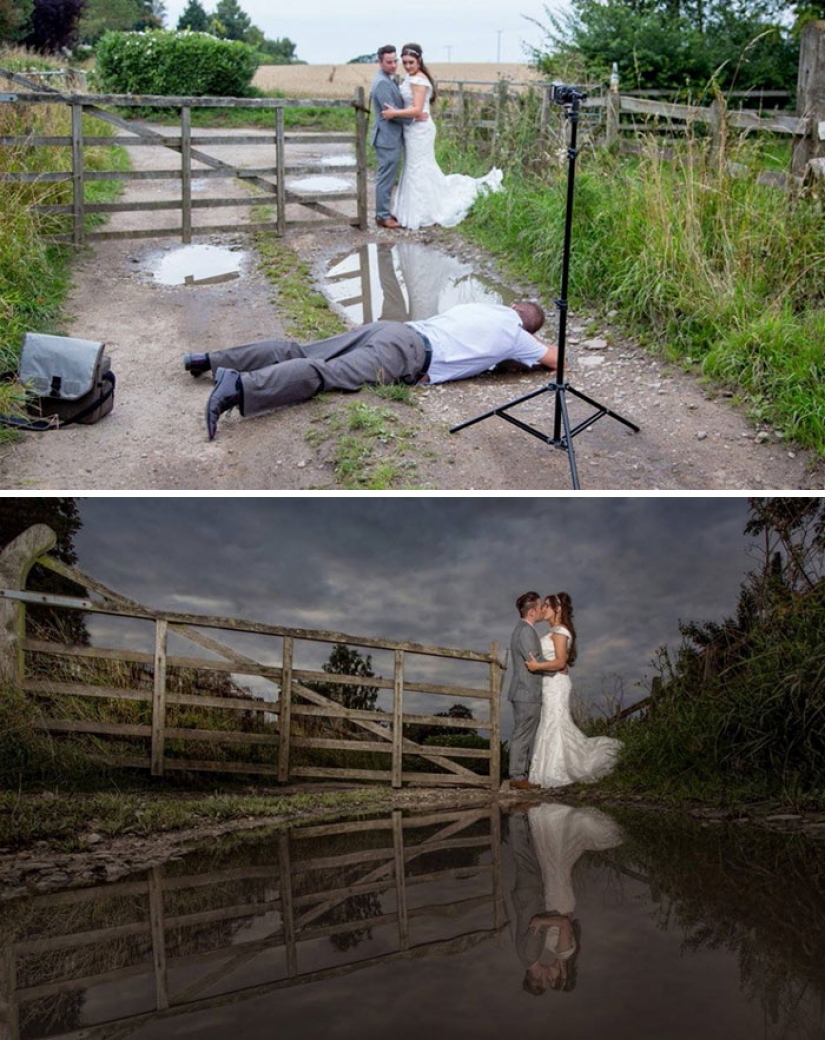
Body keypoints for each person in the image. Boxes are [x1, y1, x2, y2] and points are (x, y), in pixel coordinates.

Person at [188, 301, 557, 440]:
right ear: (529, 329)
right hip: (407, 355)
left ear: (513, 305)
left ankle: (209, 359)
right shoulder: (516, 336)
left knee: (301, 350)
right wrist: (529, 346)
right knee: (325, 374)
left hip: (393, 329)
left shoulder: (485, 307)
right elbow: (558, 361)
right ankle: (238, 387)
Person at [380, 43, 503, 230]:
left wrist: (394, 113)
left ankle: (422, 211)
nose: (407, 66)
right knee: (414, 167)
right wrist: (407, 113)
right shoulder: (410, 77)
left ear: (419, 60)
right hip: (412, 128)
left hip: (420, 130)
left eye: (411, 62)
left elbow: (417, 109)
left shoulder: (419, 80)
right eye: (404, 62)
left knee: (418, 167)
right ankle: (414, 208)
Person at [526, 593, 623, 788]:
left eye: (547, 605)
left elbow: (560, 662)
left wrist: (537, 667)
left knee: (555, 722)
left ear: (558, 609)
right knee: (550, 722)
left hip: (556, 684)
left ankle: (558, 770)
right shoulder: (554, 631)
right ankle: (547, 770)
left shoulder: (561, 631)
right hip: (549, 683)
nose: (543, 609)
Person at [506, 591, 568, 792]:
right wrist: (557, 669)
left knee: (525, 733)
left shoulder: (524, 629)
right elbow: (535, 661)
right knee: (522, 734)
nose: (542, 610)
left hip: (525, 692)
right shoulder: (526, 631)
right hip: (526, 692)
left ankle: (520, 775)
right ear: (532, 612)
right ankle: (517, 776)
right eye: (540, 606)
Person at [370, 45, 416, 229]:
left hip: (390, 136)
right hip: (386, 138)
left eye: (394, 61)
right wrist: (413, 117)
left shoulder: (388, 78)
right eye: (389, 62)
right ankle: (382, 216)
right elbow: (391, 113)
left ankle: (384, 213)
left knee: (388, 176)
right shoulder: (382, 83)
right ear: (380, 62)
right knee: (386, 178)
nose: (394, 65)